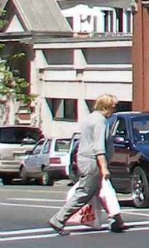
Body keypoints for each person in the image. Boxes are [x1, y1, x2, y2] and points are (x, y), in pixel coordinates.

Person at [48, 95, 125, 235]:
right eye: (113, 106)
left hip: (84, 159)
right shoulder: (100, 122)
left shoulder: (89, 118)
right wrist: (104, 167)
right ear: (105, 106)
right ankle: (58, 220)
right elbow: (99, 148)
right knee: (84, 193)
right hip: (93, 162)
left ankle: (117, 220)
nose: (114, 110)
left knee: (104, 191)